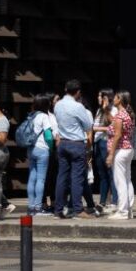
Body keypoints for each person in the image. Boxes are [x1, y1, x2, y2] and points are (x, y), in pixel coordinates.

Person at [53, 80, 94, 219]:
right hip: (76, 143)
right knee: (76, 177)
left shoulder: (57, 105)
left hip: (63, 143)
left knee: (62, 176)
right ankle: (78, 209)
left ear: (65, 89)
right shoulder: (78, 107)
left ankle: (58, 209)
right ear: (78, 92)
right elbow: (88, 126)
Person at [106, 90, 136, 219]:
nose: (114, 99)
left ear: (120, 99)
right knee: (127, 180)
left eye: (116, 97)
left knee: (120, 182)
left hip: (120, 150)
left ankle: (122, 211)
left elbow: (117, 135)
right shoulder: (127, 115)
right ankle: (128, 210)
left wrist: (111, 154)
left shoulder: (120, 116)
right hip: (128, 149)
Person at [27, 94, 56, 216]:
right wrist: (51, 148)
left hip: (31, 149)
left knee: (32, 178)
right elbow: (49, 136)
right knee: (41, 179)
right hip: (42, 150)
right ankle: (38, 208)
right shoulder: (44, 116)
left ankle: (31, 206)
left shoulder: (30, 116)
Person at [93, 88, 117, 212]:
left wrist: (97, 128)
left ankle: (114, 202)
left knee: (111, 173)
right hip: (97, 142)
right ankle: (102, 201)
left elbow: (113, 127)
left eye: (100, 96)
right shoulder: (98, 110)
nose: (98, 98)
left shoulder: (113, 109)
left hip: (106, 142)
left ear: (106, 98)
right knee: (102, 175)